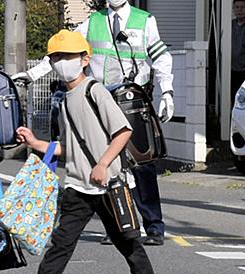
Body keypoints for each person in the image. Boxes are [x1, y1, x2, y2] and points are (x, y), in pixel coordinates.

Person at [14, 0, 173, 246]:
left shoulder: (145, 20)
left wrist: (167, 92)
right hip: (99, 97)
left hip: (133, 97)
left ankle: (154, 226)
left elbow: (161, 57)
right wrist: (32, 75)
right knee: (107, 162)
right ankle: (119, 225)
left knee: (141, 163)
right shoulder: (93, 21)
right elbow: (61, 52)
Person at [16, 29, 157, 274]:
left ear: (84, 59)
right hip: (77, 186)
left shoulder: (95, 91)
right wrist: (36, 143)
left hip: (107, 184)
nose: (61, 62)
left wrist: (103, 164)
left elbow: (123, 131)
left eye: (67, 56)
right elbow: (69, 147)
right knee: (62, 243)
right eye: (56, 57)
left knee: (128, 244)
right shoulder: (64, 99)